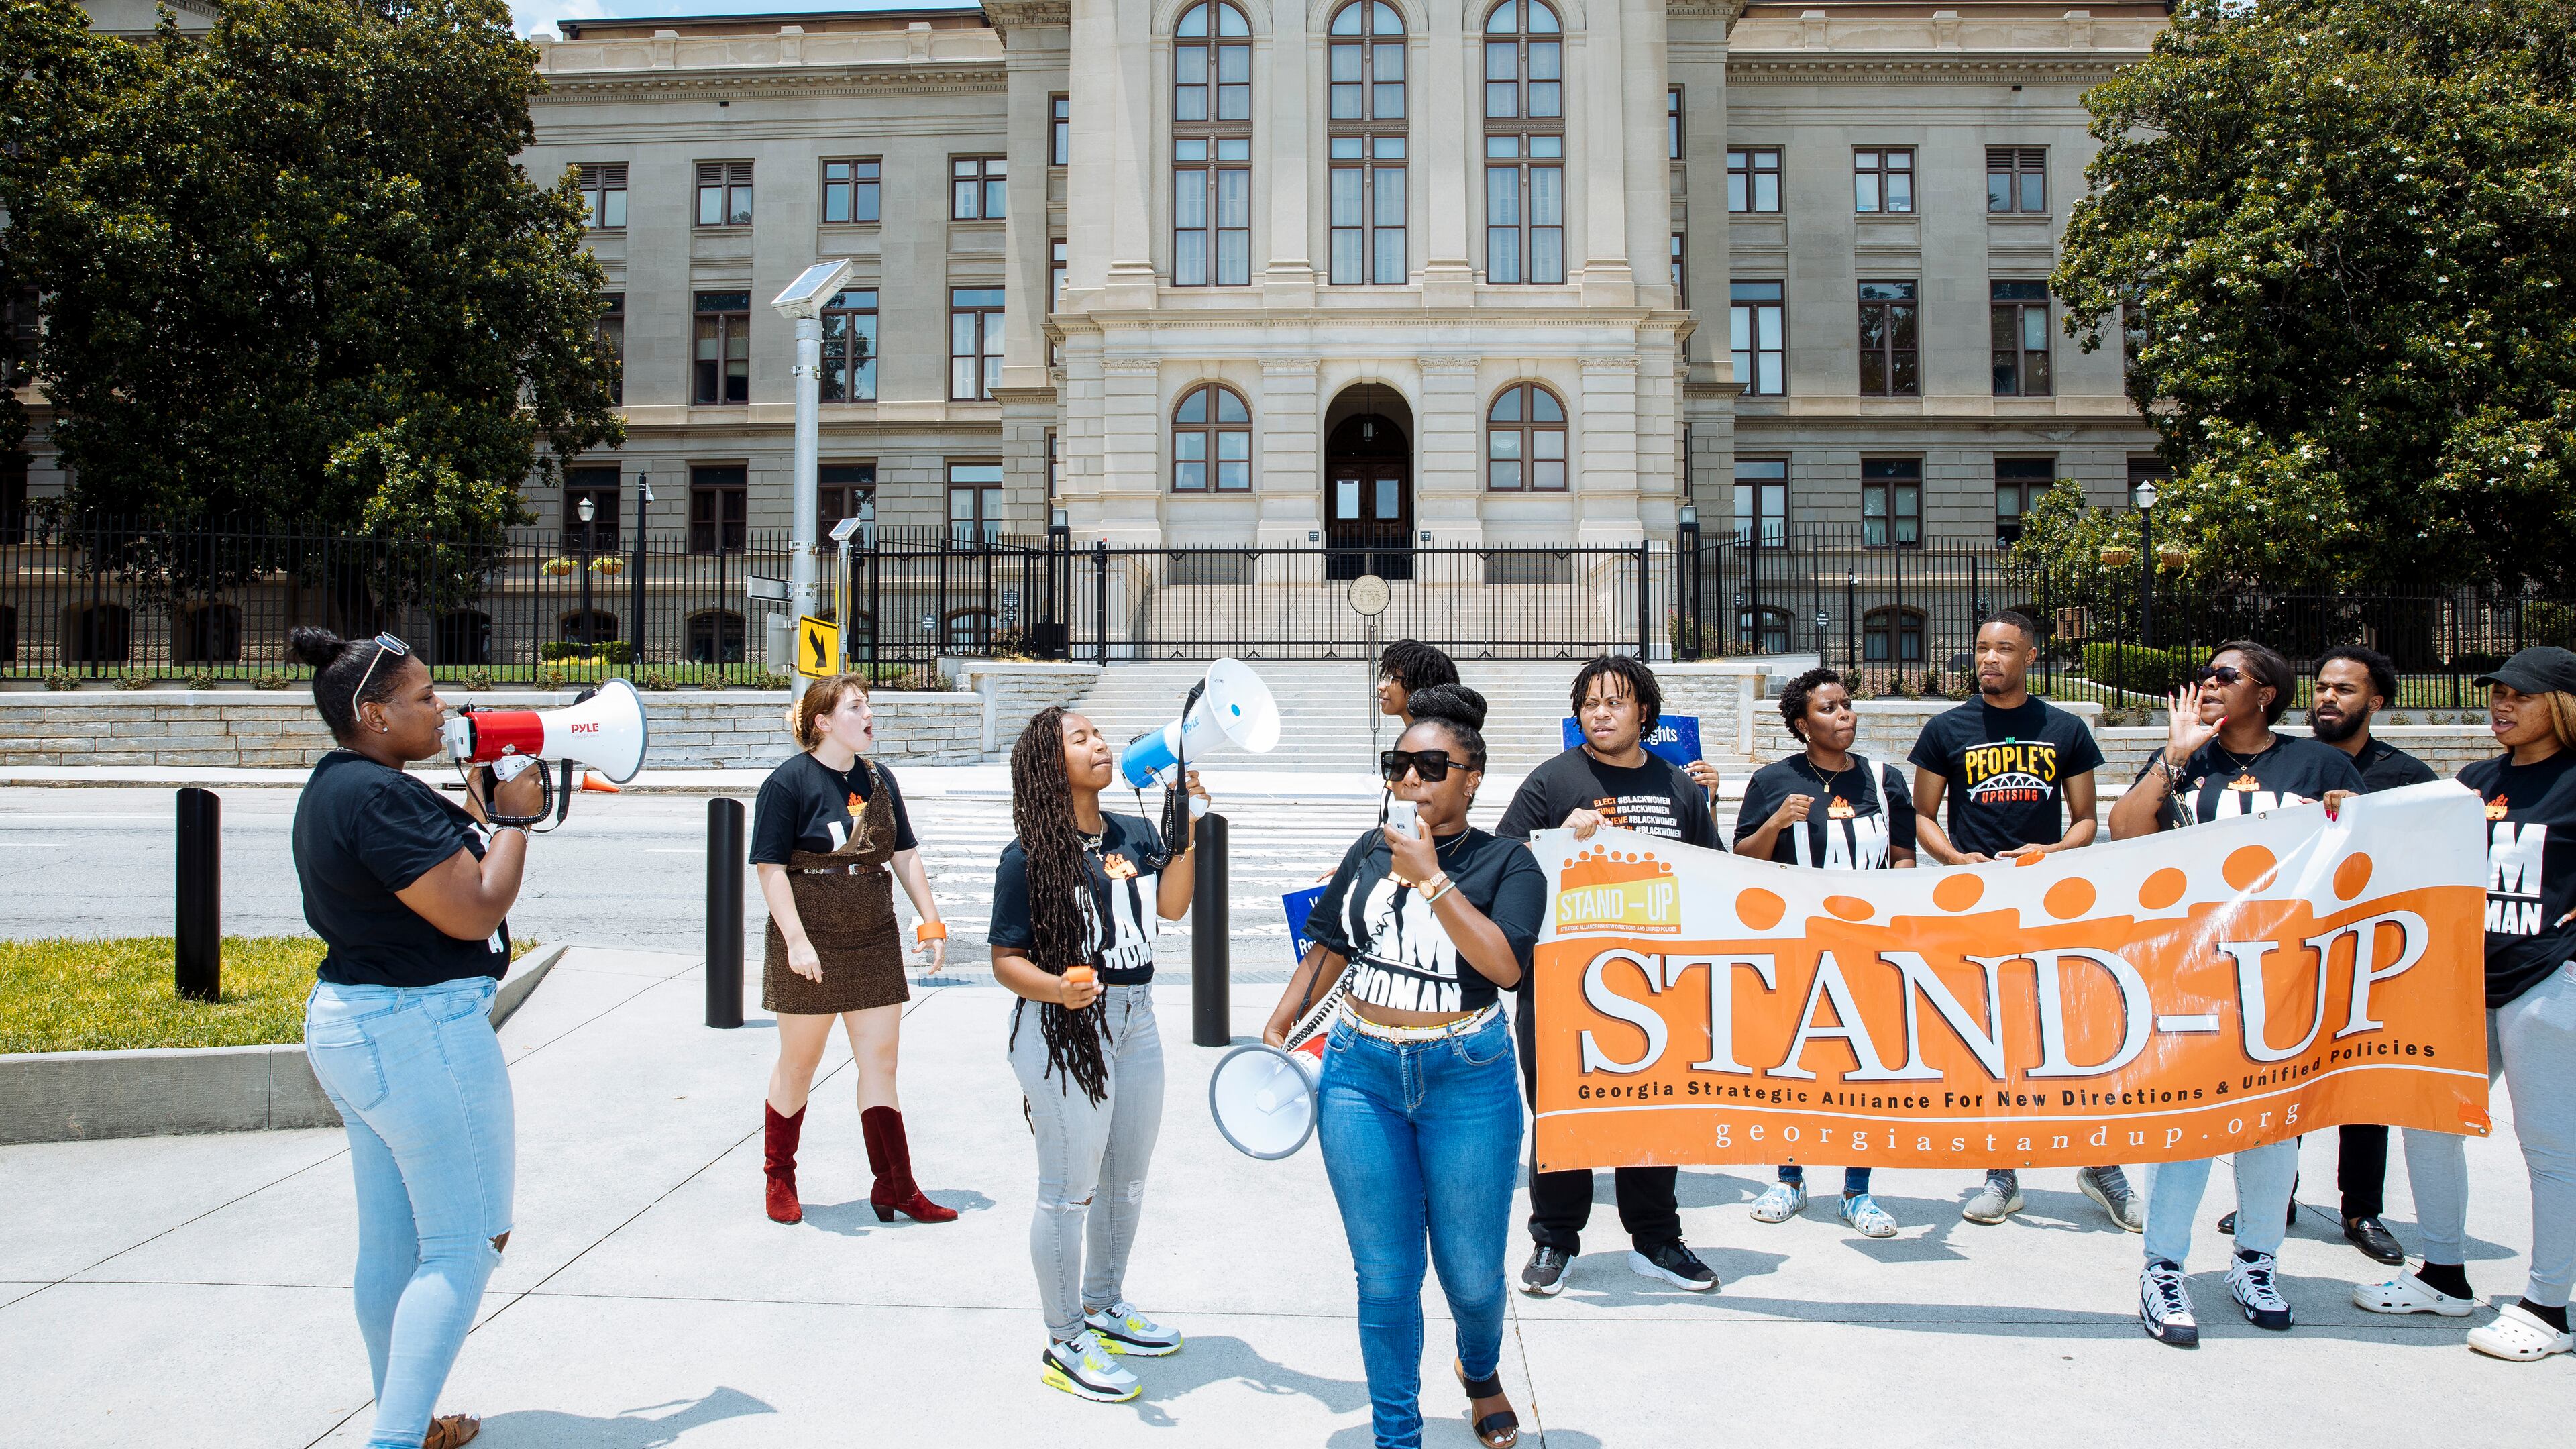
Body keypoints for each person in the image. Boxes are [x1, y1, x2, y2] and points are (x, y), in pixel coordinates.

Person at [1266, 684, 1544, 1449]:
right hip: (1360, 1074)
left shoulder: (1508, 861)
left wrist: (1431, 876)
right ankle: (1398, 1433)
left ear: (1472, 776)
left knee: (1476, 1279)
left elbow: (1505, 966)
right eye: (1399, 765)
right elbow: (1329, 943)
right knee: (1386, 1278)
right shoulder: (1368, 848)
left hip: (1467, 1076)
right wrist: (1282, 1023)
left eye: (1431, 765)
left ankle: (1479, 1370)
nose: (1411, 780)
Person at [289, 627, 541, 1449]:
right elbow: (473, 905)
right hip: (416, 1031)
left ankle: (409, 1418)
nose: (443, 707)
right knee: (470, 1241)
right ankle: (395, 1440)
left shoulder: (349, 783)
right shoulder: (377, 796)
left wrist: (484, 802)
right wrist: (516, 821)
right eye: (425, 697)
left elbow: (440, 864)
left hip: (361, 1026)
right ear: (373, 713)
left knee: (395, 1246)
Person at [2108, 641, 2363, 1346]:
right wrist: (2174, 754)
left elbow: (2366, 862)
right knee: (2187, 1126)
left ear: (2267, 694)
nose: (2208, 686)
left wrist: (2348, 815)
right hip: (2196, 973)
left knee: (2273, 1129)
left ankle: (2256, 1261)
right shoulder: (2192, 764)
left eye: (2226, 677)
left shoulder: (2318, 765)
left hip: (2285, 976)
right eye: (2205, 676)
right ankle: (2162, 1269)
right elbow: (2125, 831)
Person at [2353, 645, 2576, 1363]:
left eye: (2521, 695)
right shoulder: (2479, 781)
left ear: (2564, 705)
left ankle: (2547, 1306)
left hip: (2548, 981)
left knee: (2549, 1151)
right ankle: (2442, 1274)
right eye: (2498, 693)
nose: (2502, 704)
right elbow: (2408, 836)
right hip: (2469, 983)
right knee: (2428, 1120)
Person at [989, 706, 1204, 1402]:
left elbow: (1172, 909)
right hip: (1063, 1033)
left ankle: (1103, 1305)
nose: (1101, 743)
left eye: (1100, 734)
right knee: (1068, 1191)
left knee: (1127, 1180)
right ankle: (1063, 1341)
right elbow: (1005, 960)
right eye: (1081, 738)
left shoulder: (1134, 833)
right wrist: (1059, 987)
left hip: (1136, 1020)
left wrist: (1185, 835)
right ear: (1052, 766)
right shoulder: (1027, 854)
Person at [1496, 655, 1725, 1296]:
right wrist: (1556, 840)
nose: (1601, 714)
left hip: (1657, 986)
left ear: (1643, 712)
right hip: (1567, 984)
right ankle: (1554, 1241)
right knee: (1562, 1113)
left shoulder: (1678, 786)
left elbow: (1714, 874)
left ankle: (1656, 1240)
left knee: (1654, 1113)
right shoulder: (1551, 781)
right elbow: (1500, 862)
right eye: (1590, 704)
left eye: (1616, 702)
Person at [1909, 610, 2142, 1231]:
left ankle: (2102, 1165)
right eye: (1982, 647)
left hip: (2052, 904)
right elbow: (1924, 815)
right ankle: (2002, 1173)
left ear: (2030, 657)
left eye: (2004, 649)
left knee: (2080, 1036)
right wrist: (1957, 860)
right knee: (1996, 1039)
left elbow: (2087, 821)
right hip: (1979, 905)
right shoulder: (1945, 728)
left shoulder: (2064, 728)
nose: (1990, 659)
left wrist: (2052, 855)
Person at [2244, 645, 2430, 1265]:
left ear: (2375, 703)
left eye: (2345, 690)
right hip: (2291, 947)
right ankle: (2278, 1196)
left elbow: (2421, 862)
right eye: (2322, 686)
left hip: (2366, 948)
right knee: (2281, 1076)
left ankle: (2361, 1209)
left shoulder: (2406, 777)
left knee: (2361, 1086)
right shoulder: (2290, 763)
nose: (2328, 698)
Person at [751, 673, 951, 1227]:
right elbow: (770, 868)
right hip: (810, 940)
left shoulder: (879, 779)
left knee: (881, 1064)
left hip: (872, 937)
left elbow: (903, 853)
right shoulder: (788, 783)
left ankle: (896, 1186)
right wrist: (796, 941)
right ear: (822, 722)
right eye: (856, 707)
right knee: (799, 1064)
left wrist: (930, 920)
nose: (869, 715)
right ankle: (780, 1176)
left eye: (868, 706)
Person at [1733, 667, 1914, 1238]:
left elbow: (1905, 857)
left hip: (1871, 948)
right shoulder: (1772, 781)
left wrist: (1895, 904)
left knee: (1863, 1069)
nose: (1845, 717)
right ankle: (1789, 1179)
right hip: (1797, 946)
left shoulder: (1885, 780)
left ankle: (1857, 1191)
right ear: (1800, 724)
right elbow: (1740, 859)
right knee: (1797, 1062)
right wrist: (1776, 824)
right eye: (1830, 709)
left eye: (1847, 706)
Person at [1379, 639, 1461, 728]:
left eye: (1392, 678)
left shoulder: (1432, 739)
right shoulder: (1437, 733)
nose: (1380, 687)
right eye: (1385, 677)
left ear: (1418, 684)